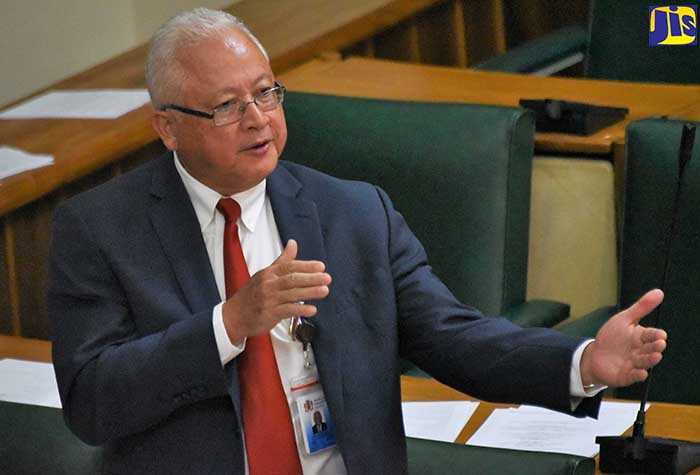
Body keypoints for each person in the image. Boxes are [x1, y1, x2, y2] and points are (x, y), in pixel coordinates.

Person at [48, 8, 667, 475]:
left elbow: (452, 336)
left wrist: (583, 363)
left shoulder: (352, 213)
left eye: (266, 92)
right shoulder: (101, 229)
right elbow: (92, 402)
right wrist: (229, 324)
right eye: (228, 106)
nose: (260, 119)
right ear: (168, 127)